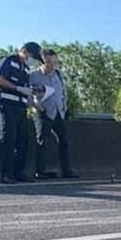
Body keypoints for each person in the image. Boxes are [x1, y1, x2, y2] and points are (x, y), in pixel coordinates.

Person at [0, 42, 42, 184]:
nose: (32, 60)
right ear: (25, 51)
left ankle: (19, 172)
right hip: (6, 104)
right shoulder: (9, 61)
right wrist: (18, 88)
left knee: (23, 140)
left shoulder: (26, 68)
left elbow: (26, 89)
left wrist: (32, 96)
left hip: (21, 107)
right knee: (9, 138)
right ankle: (6, 173)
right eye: (32, 56)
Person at [29, 49, 79, 179]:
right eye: (48, 62)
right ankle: (40, 171)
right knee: (42, 141)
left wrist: (64, 105)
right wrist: (36, 106)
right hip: (43, 112)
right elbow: (27, 94)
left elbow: (62, 91)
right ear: (43, 61)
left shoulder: (58, 74)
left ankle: (66, 170)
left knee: (64, 141)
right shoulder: (33, 75)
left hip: (58, 112)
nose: (51, 65)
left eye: (54, 62)